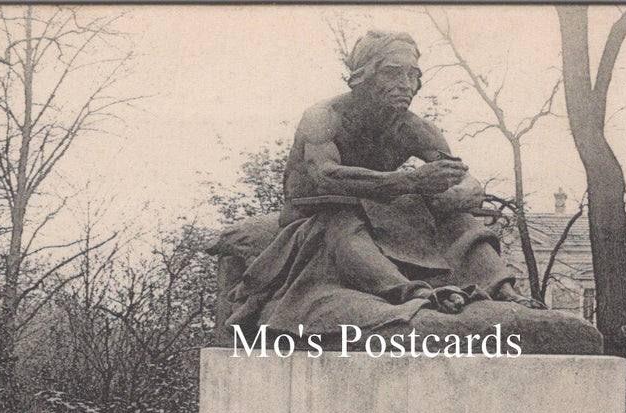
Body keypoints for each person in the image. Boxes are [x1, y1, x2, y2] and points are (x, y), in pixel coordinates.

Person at [226, 30, 600, 354]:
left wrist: (458, 196)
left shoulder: (414, 128)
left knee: (454, 214)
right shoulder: (324, 116)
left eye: (413, 75)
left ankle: (501, 289)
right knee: (340, 219)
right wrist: (411, 183)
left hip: (380, 217)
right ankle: (410, 293)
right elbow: (325, 177)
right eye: (392, 72)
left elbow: (466, 180)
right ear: (363, 75)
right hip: (313, 217)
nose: (406, 84)